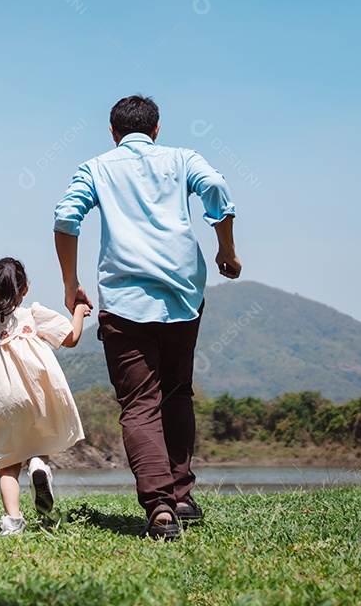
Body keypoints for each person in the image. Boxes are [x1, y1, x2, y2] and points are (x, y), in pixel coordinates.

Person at [53, 94, 241, 540]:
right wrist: (227, 249)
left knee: (140, 404)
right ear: (156, 130)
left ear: (114, 134)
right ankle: (180, 495)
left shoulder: (97, 167)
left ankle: (159, 508)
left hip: (124, 301)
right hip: (183, 297)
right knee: (177, 394)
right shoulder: (182, 158)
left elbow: (66, 217)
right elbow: (215, 186)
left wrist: (70, 283)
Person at [0, 257, 88, 535]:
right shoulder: (34, 315)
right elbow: (72, 337)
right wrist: (79, 308)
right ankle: (39, 466)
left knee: (7, 465)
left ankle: (13, 521)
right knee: (38, 445)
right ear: (25, 288)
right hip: (35, 391)